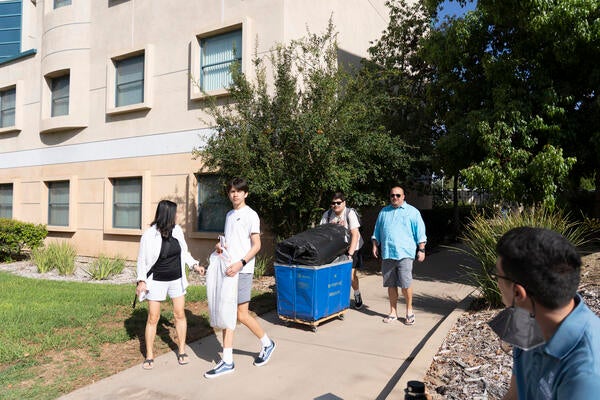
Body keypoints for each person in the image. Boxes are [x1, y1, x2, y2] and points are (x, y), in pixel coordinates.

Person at [493, 227, 600, 399]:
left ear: (518, 293)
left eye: (497, 276)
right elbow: (514, 395)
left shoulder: (586, 375)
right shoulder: (524, 320)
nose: (496, 283)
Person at [198, 177, 275, 378]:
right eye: (232, 191)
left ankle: (265, 344)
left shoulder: (251, 215)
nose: (235, 194)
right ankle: (229, 359)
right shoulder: (229, 215)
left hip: (242, 270)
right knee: (230, 313)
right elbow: (230, 241)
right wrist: (220, 247)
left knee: (239, 314)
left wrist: (241, 263)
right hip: (228, 269)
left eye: (239, 191)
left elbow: (256, 245)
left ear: (245, 193)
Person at [135, 200, 200, 370]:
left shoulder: (177, 231)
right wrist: (141, 280)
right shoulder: (149, 235)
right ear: (168, 214)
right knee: (153, 318)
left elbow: (184, 253)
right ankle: (149, 355)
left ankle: (182, 350)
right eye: (175, 213)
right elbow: (142, 259)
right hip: (156, 281)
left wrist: (194, 265)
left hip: (176, 279)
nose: (177, 216)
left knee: (179, 314)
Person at [371, 186, 426, 325]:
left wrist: (422, 249)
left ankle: (409, 311)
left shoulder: (412, 212)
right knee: (391, 284)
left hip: (405, 254)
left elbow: (420, 232)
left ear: (403, 197)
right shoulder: (384, 212)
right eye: (392, 195)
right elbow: (377, 231)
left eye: (398, 195)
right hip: (388, 253)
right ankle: (393, 312)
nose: (394, 198)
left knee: (406, 284)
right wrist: (375, 244)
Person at [319, 191, 364, 309]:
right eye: (333, 203)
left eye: (338, 203)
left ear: (344, 203)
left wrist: (350, 254)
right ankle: (337, 300)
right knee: (334, 274)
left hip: (353, 247)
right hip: (336, 248)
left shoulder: (350, 214)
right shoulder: (327, 215)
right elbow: (321, 234)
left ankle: (357, 293)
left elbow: (355, 234)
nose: (336, 205)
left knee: (350, 276)